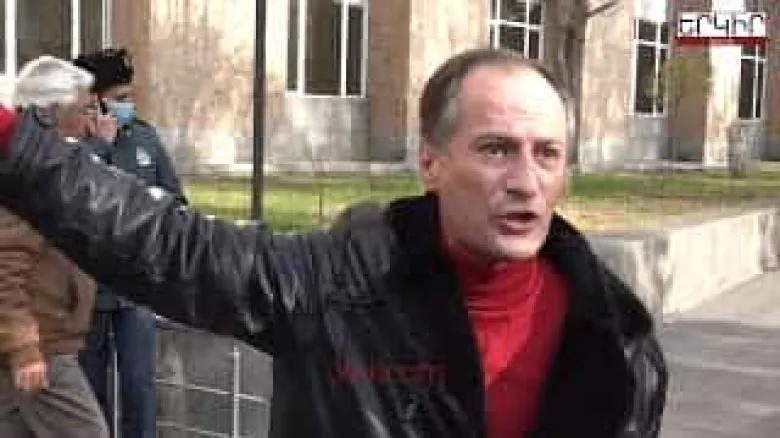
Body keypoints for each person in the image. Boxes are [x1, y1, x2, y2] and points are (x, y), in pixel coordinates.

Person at [0, 48, 668, 437]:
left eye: (547, 153)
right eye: (496, 149)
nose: (525, 181)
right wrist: (11, 142)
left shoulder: (619, 346)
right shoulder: (332, 286)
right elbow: (172, 246)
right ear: (430, 162)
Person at [70, 47, 187, 438]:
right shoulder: (73, 143)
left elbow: (176, 200)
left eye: (129, 96)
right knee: (90, 392)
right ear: (95, 100)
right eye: (119, 98)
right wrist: (100, 146)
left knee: (140, 386)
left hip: (136, 286)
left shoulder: (145, 137)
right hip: (87, 291)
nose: (127, 105)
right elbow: (73, 196)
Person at [0, 86, 108, 438]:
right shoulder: (32, 176)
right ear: (52, 113)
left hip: (44, 342)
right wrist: (25, 349)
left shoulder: (51, 167)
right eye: (86, 109)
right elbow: (5, 266)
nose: (95, 120)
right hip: (43, 346)